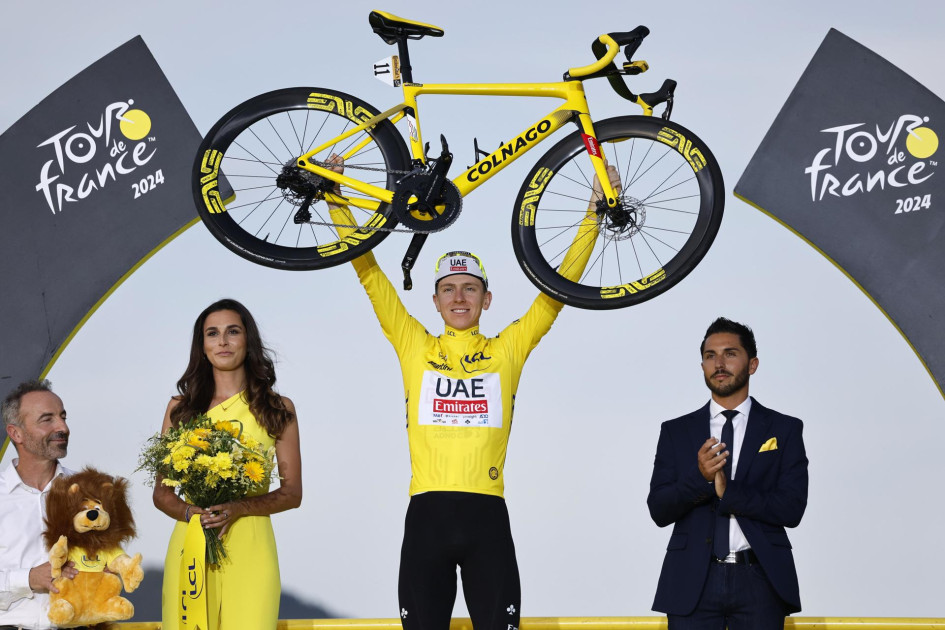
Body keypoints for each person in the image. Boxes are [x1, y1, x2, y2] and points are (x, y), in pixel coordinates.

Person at [327, 156, 619, 630]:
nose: (459, 298)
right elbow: (371, 278)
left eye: (469, 289)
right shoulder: (414, 345)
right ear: (435, 300)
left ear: (487, 299)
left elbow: (557, 290)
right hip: (426, 514)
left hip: (487, 516)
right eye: (448, 289)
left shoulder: (507, 350)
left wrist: (593, 214)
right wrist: (337, 199)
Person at [647, 317, 809, 629]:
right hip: (691, 580)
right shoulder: (676, 431)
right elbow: (659, 509)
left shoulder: (784, 429)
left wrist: (728, 492)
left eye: (730, 354)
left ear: (753, 364)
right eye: (710, 356)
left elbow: (791, 508)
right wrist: (702, 479)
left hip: (761, 581)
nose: (719, 363)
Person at [154, 299, 302, 630]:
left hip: (250, 543)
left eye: (232, 331)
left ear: (247, 340)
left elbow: (292, 493)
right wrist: (194, 515)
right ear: (202, 346)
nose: (222, 341)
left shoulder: (276, 408)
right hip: (191, 543)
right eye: (212, 333)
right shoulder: (181, 408)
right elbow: (162, 494)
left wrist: (238, 507)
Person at [1, 379, 79, 630]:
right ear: (16, 433)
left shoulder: (88, 491)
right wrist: (29, 578)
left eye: (63, 417)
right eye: (47, 419)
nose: (62, 427)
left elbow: (109, 560)